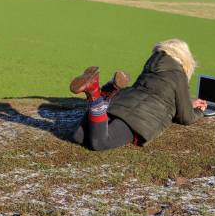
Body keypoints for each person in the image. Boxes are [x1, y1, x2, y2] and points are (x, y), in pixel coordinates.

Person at [69, 39, 207, 150]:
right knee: (100, 143)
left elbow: (154, 93)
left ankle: (109, 91)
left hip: (121, 103)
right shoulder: (178, 74)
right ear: (185, 58)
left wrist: (189, 104)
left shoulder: (152, 64)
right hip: (140, 119)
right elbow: (186, 117)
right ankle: (95, 95)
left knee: (78, 136)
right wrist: (198, 111)